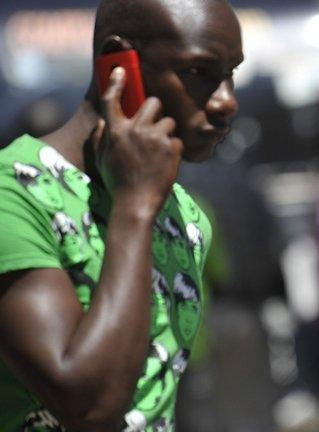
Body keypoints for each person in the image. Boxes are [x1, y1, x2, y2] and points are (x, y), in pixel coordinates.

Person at [0, 0, 242, 429]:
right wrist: (133, 207)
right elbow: (89, 407)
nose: (227, 102)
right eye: (198, 73)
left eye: (231, 74)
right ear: (118, 65)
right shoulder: (14, 195)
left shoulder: (184, 216)